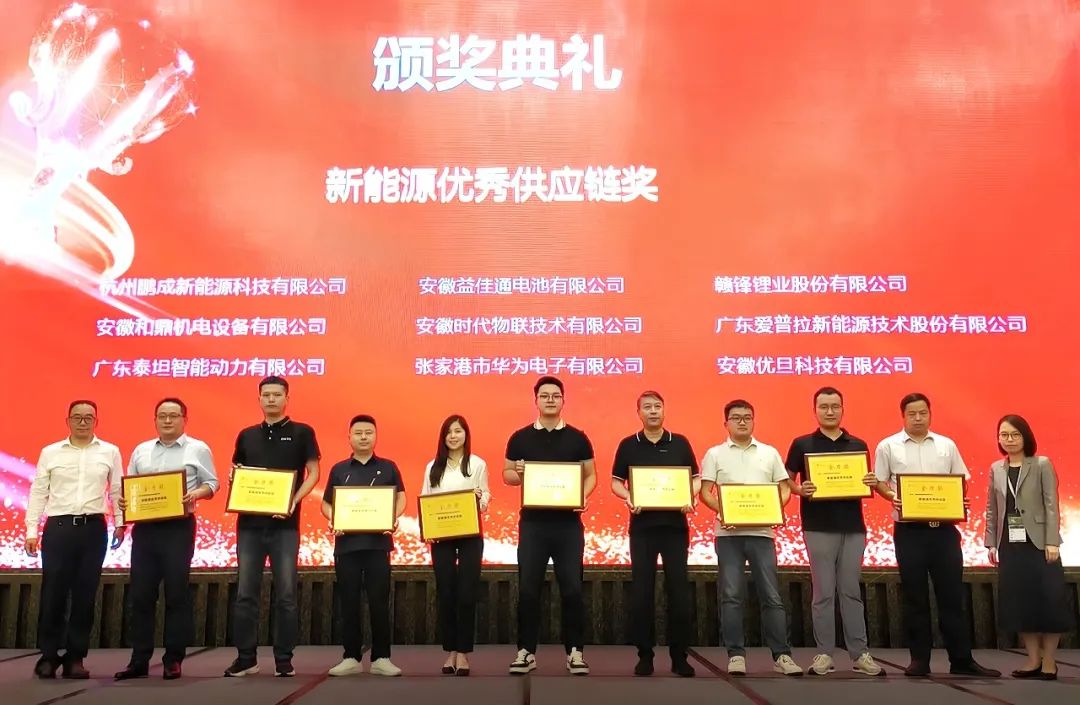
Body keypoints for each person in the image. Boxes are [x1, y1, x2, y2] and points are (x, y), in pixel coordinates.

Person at [871, 392, 999, 678]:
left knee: (952, 596)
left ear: (930, 414)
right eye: (912, 414)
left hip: (944, 532)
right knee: (914, 597)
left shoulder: (946, 445)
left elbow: (960, 480)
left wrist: (956, 500)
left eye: (923, 413)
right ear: (903, 416)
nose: (918, 418)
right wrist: (893, 496)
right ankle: (919, 660)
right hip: (909, 532)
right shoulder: (888, 446)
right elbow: (879, 482)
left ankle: (962, 660)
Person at [115, 398, 219, 681]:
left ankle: (173, 659)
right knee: (141, 596)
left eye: (174, 415)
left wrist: (195, 494)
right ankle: (138, 660)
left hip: (178, 528)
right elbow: (129, 487)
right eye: (162, 416)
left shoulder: (197, 448)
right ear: (155, 419)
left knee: (176, 594)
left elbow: (212, 484)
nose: (168, 420)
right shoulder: (141, 450)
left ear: (184, 419)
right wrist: (126, 504)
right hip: (145, 530)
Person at [225, 376, 321, 678]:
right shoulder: (246, 435)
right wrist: (234, 481)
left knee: (287, 595)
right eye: (265, 395)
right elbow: (237, 471)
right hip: (249, 526)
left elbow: (314, 472)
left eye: (277, 395)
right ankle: (246, 658)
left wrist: (293, 500)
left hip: (285, 527)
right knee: (245, 593)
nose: (271, 399)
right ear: (259, 399)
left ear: (287, 398)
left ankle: (283, 659)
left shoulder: (302, 432)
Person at [700, 399, 802, 677]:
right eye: (736, 417)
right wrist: (724, 511)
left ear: (754, 421)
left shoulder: (769, 453)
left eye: (747, 417)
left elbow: (784, 489)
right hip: (728, 534)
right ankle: (735, 655)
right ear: (726, 423)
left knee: (771, 595)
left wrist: (774, 510)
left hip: (762, 534)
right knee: (731, 596)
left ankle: (782, 655)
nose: (742, 421)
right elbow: (706, 492)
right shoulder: (714, 454)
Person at [785, 387, 882, 676]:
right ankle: (824, 654)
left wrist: (870, 481)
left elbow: (864, 479)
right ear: (815, 410)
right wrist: (799, 489)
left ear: (842, 409)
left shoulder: (858, 444)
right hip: (817, 526)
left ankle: (860, 654)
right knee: (823, 593)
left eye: (835, 406)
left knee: (851, 591)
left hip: (853, 527)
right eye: (824, 406)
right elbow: (786, 480)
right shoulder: (802, 444)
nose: (830, 411)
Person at [25, 400, 125, 679]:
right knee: (53, 594)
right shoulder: (51, 452)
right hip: (58, 528)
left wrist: (120, 523)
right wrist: (31, 530)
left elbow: (117, 490)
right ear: (67, 420)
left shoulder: (110, 451)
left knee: (84, 595)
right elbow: (39, 491)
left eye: (88, 417)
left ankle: (75, 657)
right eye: (77, 417)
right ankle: (48, 655)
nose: (83, 422)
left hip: (93, 529)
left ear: (96, 421)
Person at [503, 376, 597, 676]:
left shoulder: (578, 438)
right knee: (528, 589)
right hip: (533, 525)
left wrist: (583, 496)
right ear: (536, 400)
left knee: (572, 589)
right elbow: (507, 475)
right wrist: (518, 472)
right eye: (545, 396)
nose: (550, 400)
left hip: (568, 526)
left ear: (563, 400)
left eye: (556, 395)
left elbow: (591, 474)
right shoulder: (520, 437)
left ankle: (575, 652)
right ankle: (526, 651)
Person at [610, 390, 698, 677]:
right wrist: (629, 497)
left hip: (675, 528)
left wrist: (690, 497)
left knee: (679, 593)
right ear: (639, 413)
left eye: (657, 406)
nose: (653, 411)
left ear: (664, 410)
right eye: (647, 407)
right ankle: (645, 655)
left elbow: (695, 479)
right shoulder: (628, 444)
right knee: (642, 593)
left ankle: (679, 656)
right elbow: (616, 482)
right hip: (642, 528)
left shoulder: (680, 442)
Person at [984, 414, 1070, 680]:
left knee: (1049, 601)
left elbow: (1051, 504)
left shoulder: (1041, 464)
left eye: (1015, 434)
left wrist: (1052, 541)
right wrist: (990, 542)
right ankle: (1032, 660)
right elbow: (992, 508)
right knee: (1020, 603)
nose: (1009, 440)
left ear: (1025, 437)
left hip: (1040, 544)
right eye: (1004, 435)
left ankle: (1049, 661)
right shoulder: (996, 468)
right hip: (1010, 544)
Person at [323, 415, 406, 677]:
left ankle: (382, 657)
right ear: (349, 437)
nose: (363, 437)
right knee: (348, 603)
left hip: (377, 545)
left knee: (379, 602)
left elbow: (401, 497)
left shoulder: (388, 467)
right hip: (346, 546)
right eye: (358, 433)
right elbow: (326, 503)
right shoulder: (339, 469)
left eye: (368, 432)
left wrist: (393, 517)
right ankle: (351, 657)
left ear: (375, 436)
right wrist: (333, 519)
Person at [421, 415, 490, 676]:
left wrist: (480, 499)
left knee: (467, 593)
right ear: (443, 437)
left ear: (466, 435)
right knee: (446, 592)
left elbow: (485, 497)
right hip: (442, 537)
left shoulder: (477, 464)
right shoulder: (432, 467)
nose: (453, 436)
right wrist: (427, 530)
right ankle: (450, 651)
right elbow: (426, 499)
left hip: (470, 534)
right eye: (449, 432)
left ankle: (464, 653)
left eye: (458, 431)